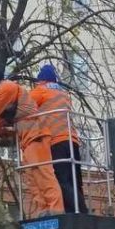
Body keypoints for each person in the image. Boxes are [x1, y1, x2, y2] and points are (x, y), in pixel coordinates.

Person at [0, 65, 64, 218]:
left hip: (37, 134)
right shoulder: (4, 98)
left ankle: (56, 209)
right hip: (27, 139)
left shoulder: (6, 88)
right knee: (33, 177)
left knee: (43, 173)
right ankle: (43, 210)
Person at [29, 64, 88, 214]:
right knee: (74, 180)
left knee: (61, 179)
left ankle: (78, 212)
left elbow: (24, 107)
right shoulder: (64, 94)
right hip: (73, 141)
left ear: (41, 80)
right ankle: (79, 211)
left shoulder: (40, 91)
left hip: (57, 141)